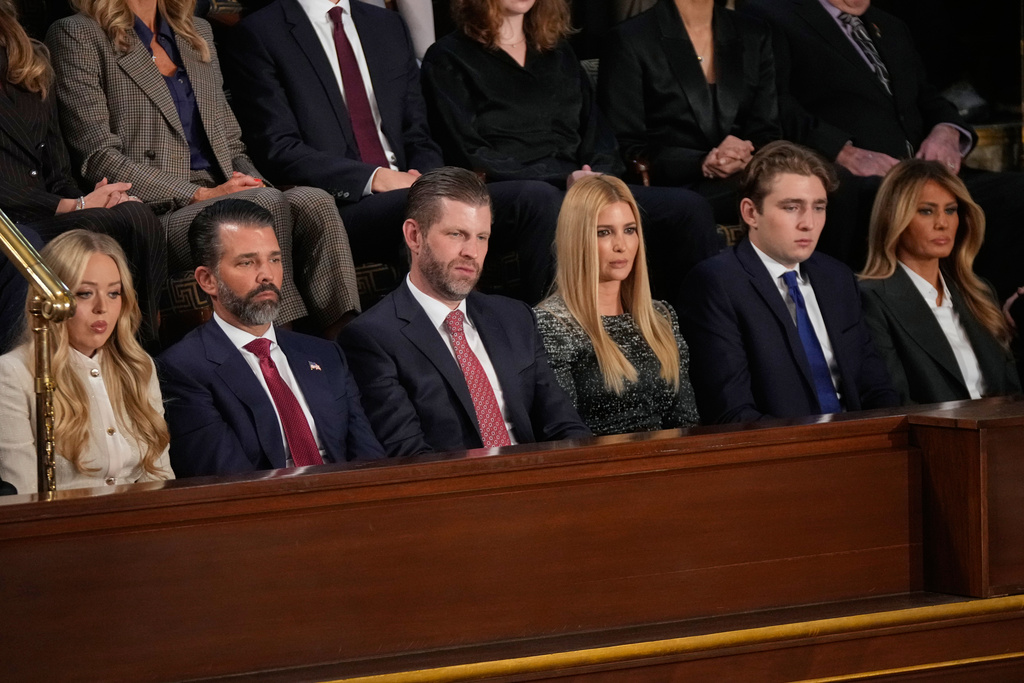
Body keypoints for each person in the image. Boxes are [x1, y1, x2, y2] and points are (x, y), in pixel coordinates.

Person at [45, 0, 360, 338]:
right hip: (155, 212)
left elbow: (231, 143)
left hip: (224, 190)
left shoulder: (197, 32)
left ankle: (345, 345)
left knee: (315, 202)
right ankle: (280, 347)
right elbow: (99, 157)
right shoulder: (77, 34)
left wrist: (251, 181)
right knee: (258, 207)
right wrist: (199, 194)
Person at [221, 0, 562, 304]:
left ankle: (548, 334)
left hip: (417, 188)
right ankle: (458, 345)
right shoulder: (261, 32)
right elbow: (278, 149)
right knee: (418, 213)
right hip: (344, 205)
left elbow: (419, 132)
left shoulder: (385, 24)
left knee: (538, 199)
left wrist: (429, 181)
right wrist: (377, 178)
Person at [420, 0, 719, 312]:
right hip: (511, 192)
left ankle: (699, 337)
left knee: (688, 208)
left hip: (579, 184)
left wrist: (597, 175)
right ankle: (555, 344)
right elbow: (467, 150)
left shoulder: (559, 52)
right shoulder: (448, 57)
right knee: (543, 201)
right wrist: (564, 179)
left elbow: (597, 132)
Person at [743, 0, 1024, 297]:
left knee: (1017, 196)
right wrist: (844, 153)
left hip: (929, 173)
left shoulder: (891, 25)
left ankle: (999, 316)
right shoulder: (774, 16)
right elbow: (775, 105)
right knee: (910, 210)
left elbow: (927, 97)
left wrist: (947, 132)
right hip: (859, 180)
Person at [339, 167, 591, 457]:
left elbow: (564, 427)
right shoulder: (372, 337)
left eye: (481, 237)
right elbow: (409, 457)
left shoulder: (515, 318)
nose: (472, 251)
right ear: (414, 236)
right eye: (457, 234)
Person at [159, 200, 385, 478]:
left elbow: (369, 458)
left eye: (274, 259)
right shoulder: (183, 369)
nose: (267, 275)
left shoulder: (325, 354)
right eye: (247, 262)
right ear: (208, 280)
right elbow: (228, 481)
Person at [679, 141, 897, 424]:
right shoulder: (716, 283)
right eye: (792, 207)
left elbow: (876, 388)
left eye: (818, 207)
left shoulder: (837, 277)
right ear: (750, 213)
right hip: (778, 455)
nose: (808, 223)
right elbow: (732, 412)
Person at [0, 0, 165, 352]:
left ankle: (141, 351)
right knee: (26, 240)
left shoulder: (29, 58)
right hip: (10, 223)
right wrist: (69, 205)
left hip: (48, 212)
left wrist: (98, 198)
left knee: (132, 213)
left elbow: (56, 167)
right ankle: (24, 368)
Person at [0, 230, 174, 493]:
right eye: (84, 293)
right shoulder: (13, 373)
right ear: (49, 300)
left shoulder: (138, 367)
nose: (102, 307)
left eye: (114, 293)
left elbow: (160, 479)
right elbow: (23, 495)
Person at [535, 175, 699, 435]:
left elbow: (686, 422)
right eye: (604, 232)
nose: (621, 245)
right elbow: (566, 435)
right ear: (577, 239)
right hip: (598, 468)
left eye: (630, 230)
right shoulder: (553, 323)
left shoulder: (661, 316)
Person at [598, 0, 780, 224]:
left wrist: (744, 153)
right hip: (674, 186)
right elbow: (625, 147)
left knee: (816, 181)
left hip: (747, 175)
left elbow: (767, 131)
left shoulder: (754, 33)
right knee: (779, 191)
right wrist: (701, 163)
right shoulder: (630, 38)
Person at [859, 160, 1020, 404]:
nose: (942, 223)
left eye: (951, 210)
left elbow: (1012, 394)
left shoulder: (979, 294)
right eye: (926, 211)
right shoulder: (869, 299)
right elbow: (894, 404)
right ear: (894, 216)